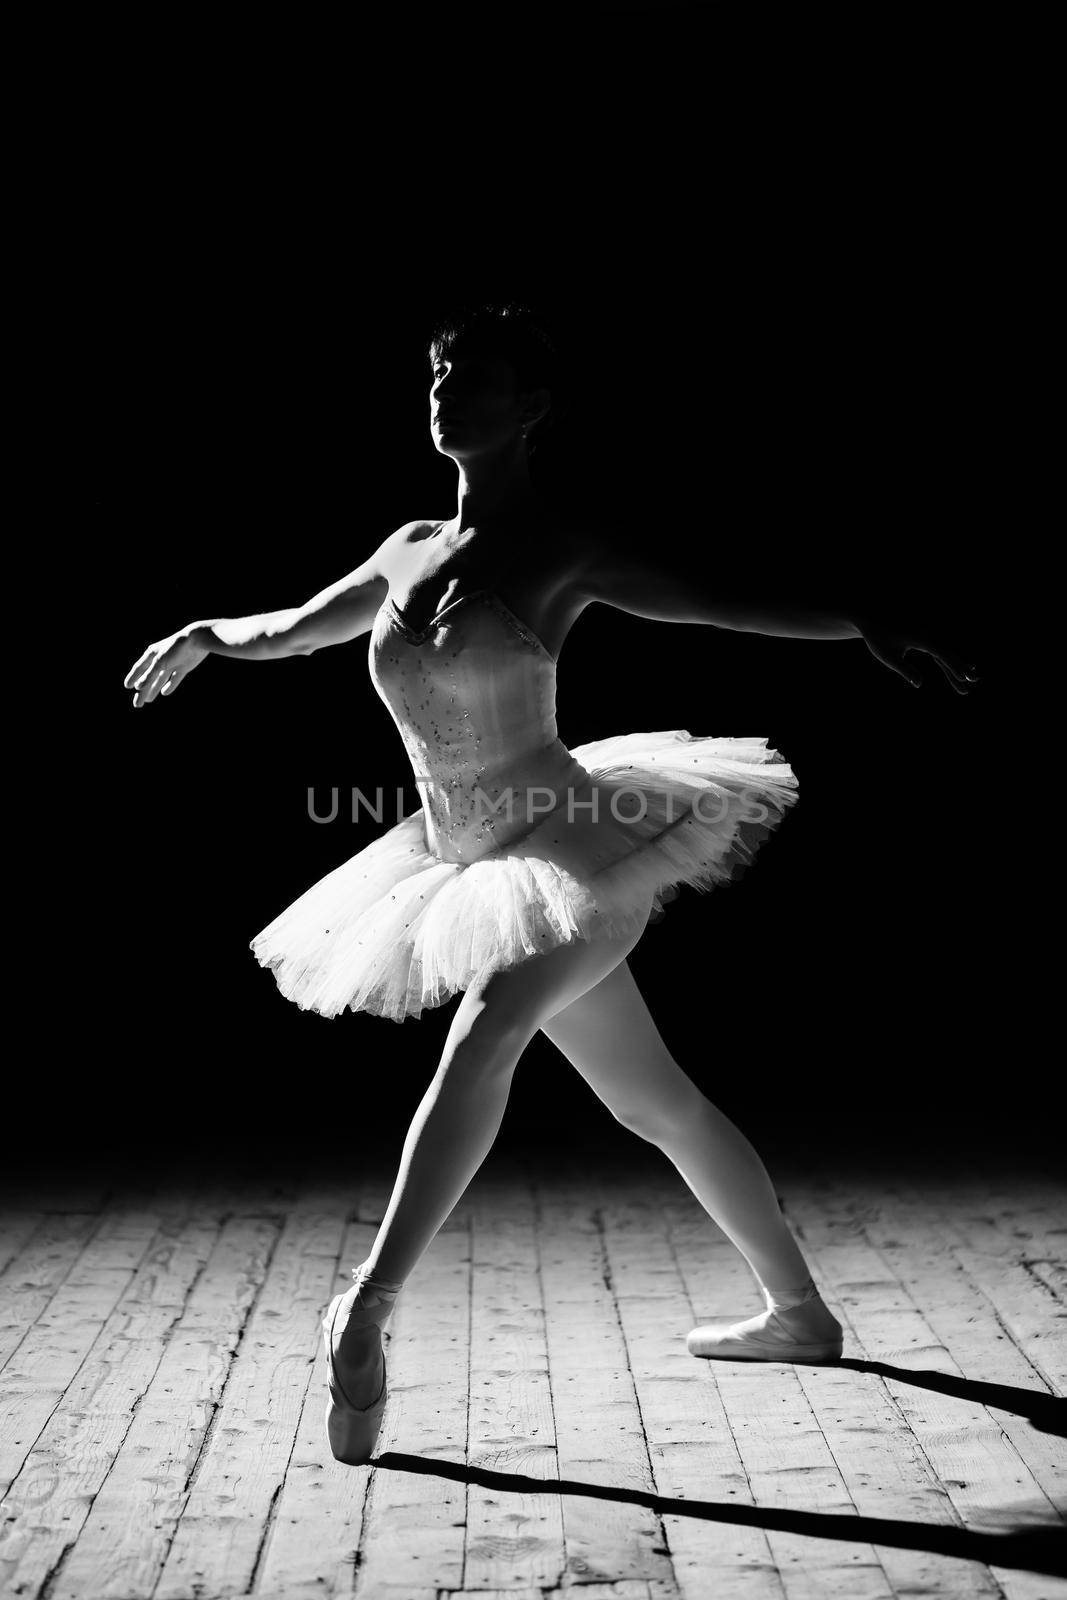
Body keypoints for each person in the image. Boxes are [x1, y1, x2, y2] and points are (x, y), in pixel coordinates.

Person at [124, 304, 979, 1467]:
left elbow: (715, 593)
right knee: (653, 1101)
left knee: (484, 1036)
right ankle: (800, 1314)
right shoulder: (407, 544)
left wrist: (856, 619)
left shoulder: (565, 540)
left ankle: (366, 1303)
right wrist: (211, 632)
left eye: (471, 377)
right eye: (435, 372)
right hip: (463, 860)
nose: (443, 390)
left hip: (577, 836)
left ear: (530, 410)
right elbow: (292, 631)